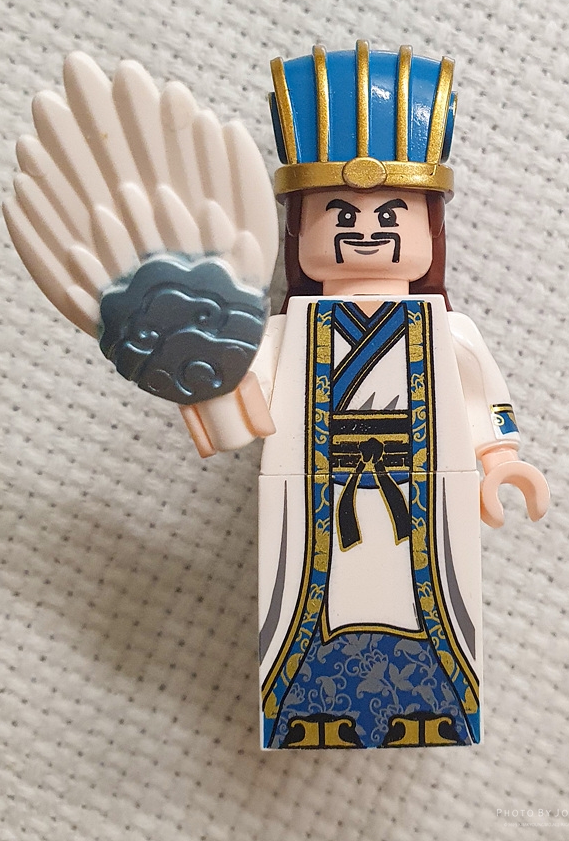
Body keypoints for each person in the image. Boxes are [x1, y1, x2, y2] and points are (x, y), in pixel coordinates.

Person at [185, 42, 549, 748]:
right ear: (299, 232)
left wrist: (499, 460)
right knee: (312, 599)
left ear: (429, 229)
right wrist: (212, 397)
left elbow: (480, 400)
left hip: (422, 492)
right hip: (316, 493)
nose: (366, 233)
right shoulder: (286, 332)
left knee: (425, 600)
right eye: (340, 218)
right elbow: (243, 392)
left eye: (391, 218)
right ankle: (315, 710)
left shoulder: (447, 330)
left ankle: (426, 706)